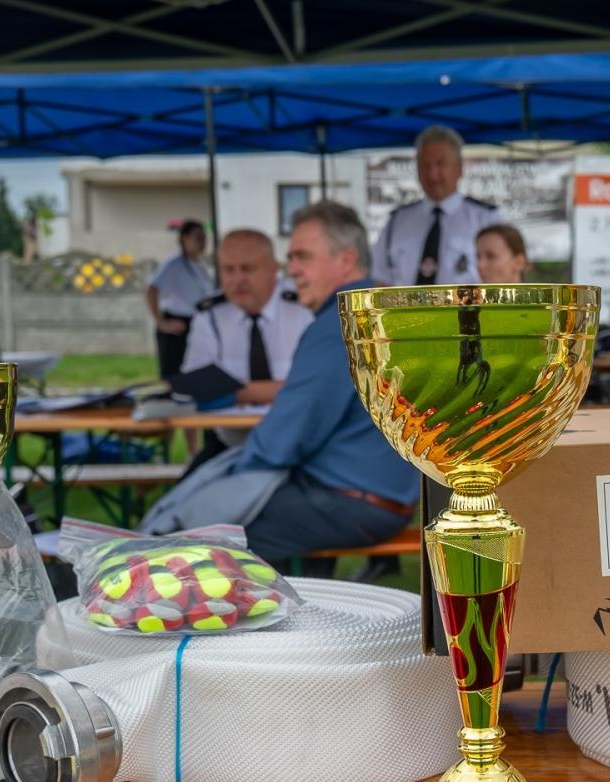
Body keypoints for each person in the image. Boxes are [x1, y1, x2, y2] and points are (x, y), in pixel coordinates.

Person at [231, 201, 419, 563]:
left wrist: (234, 476)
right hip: (387, 496)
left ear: (346, 260)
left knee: (217, 534)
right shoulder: (378, 310)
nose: (292, 269)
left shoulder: (339, 325)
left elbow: (286, 437)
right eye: (291, 258)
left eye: (303, 257)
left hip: (351, 500)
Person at [177, 229, 314, 471]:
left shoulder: (304, 310)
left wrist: (231, 391)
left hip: (299, 444)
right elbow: (194, 389)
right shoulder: (210, 317)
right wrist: (278, 389)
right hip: (231, 445)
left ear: (274, 269)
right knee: (188, 489)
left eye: (248, 269)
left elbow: (315, 388)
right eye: (228, 270)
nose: (237, 279)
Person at [371, 126, 501, 286]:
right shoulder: (397, 221)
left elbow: (502, 277)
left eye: (441, 164)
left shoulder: (486, 219)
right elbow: (382, 280)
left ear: (459, 168)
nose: (432, 174)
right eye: (425, 165)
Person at [147, 219, 215, 379]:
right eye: (198, 237)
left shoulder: (200, 267)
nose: (203, 242)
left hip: (197, 324)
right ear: (184, 239)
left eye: (204, 237)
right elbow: (151, 290)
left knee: (197, 374)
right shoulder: (173, 264)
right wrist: (161, 322)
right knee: (175, 377)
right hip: (178, 326)